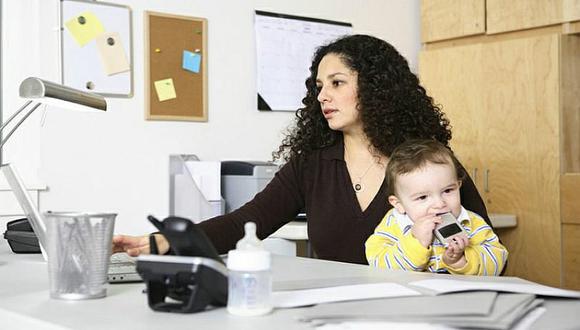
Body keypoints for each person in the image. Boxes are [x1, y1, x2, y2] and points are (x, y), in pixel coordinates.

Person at [113, 34, 491, 265]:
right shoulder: (311, 164)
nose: (323, 96)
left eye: (337, 82)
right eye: (319, 86)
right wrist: (163, 241)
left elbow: (488, 247)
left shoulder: (428, 162)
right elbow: (245, 223)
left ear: (377, 88)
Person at [365, 139, 508, 275]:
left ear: (458, 186)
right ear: (399, 204)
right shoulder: (394, 224)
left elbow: (498, 259)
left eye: (448, 191)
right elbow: (379, 265)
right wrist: (416, 242)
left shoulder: (472, 223)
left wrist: (461, 260)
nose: (439, 204)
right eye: (422, 197)